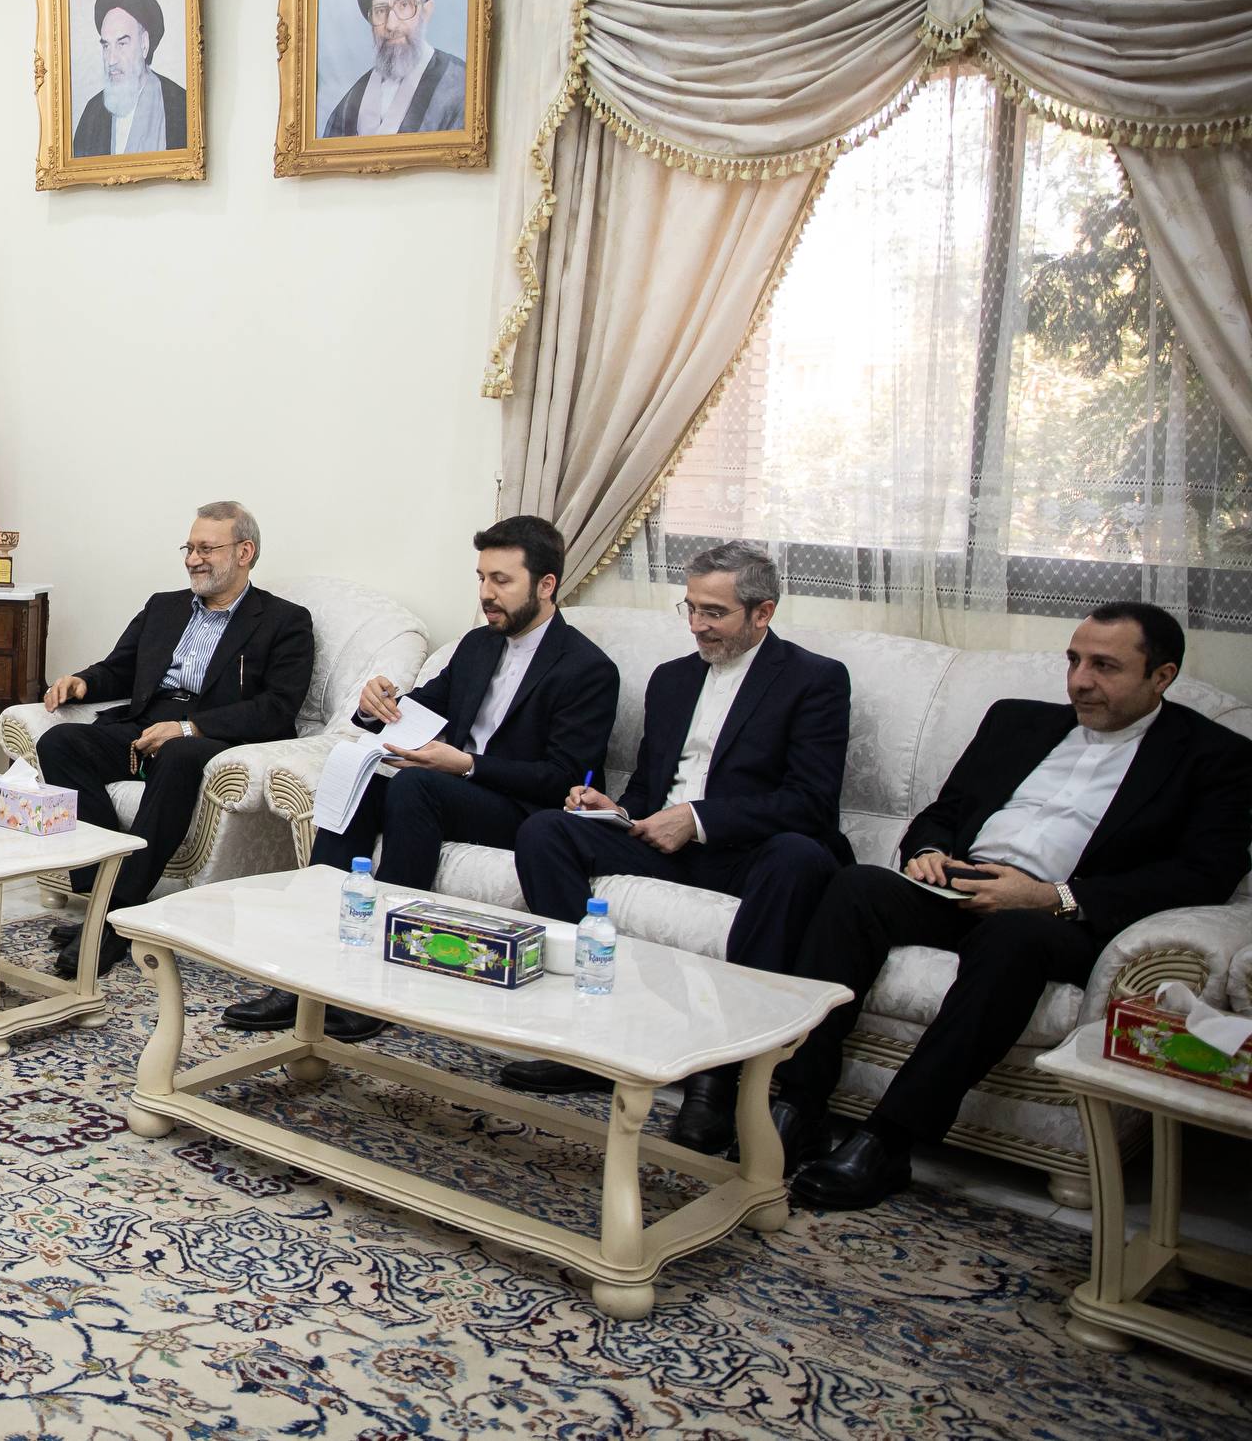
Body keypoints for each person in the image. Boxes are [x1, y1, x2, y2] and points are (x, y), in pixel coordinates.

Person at [775, 602, 1252, 1210]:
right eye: (1074, 661)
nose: (1080, 681)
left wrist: (1051, 897)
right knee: (855, 887)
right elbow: (944, 812)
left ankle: (888, 1139)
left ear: (1161, 676)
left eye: (1104, 666)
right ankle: (799, 1103)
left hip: (1058, 914)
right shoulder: (1016, 721)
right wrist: (928, 851)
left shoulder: (1214, 757)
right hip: (960, 885)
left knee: (1012, 938)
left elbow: (1202, 876)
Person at [505, 540, 850, 1152]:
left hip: (749, 853)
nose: (697, 625)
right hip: (664, 843)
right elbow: (646, 790)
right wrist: (614, 811)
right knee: (546, 831)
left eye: (714, 613)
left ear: (763, 613)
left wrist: (697, 818)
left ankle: (716, 1083)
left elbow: (810, 802)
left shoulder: (814, 679)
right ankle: (591, 1039)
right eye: (690, 608)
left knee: (800, 856)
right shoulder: (671, 679)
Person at [224, 516, 616, 1041]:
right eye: (482, 578)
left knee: (416, 784)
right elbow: (418, 710)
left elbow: (561, 778)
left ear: (546, 585)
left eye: (502, 580)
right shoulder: (478, 646)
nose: (486, 593)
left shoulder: (587, 668)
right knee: (361, 776)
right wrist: (375, 706)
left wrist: (467, 764)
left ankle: (378, 986)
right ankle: (303, 974)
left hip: (521, 810)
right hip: (456, 789)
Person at [38, 502, 315, 981]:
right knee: (61, 742)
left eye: (206, 548)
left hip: (216, 736)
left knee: (179, 753)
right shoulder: (163, 607)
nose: (192, 559)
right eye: (189, 548)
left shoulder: (284, 621)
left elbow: (276, 708)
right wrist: (82, 682)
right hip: (147, 724)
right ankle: (101, 894)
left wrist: (190, 728)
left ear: (245, 552)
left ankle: (114, 916)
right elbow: (120, 668)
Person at [320, 0, 468, 139]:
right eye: (381, 11)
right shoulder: (349, 106)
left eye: (404, 5)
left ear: (426, 11)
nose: (391, 24)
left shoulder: (460, 86)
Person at [72, 0, 189, 158]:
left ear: (144, 44)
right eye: (106, 46)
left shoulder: (181, 107)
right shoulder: (92, 115)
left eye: (122, 44)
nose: (111, 60)